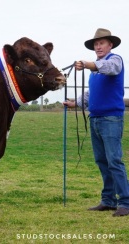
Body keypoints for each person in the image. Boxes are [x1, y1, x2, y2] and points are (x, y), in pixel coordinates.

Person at [64, 28, 129, 217]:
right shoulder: (95, 71)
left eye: (101, 43)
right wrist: (75, 103)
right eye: (96, 44)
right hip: (95, 118)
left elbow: (111, 69)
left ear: (110, 45)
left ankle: (125, 202)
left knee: (114, 160)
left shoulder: (115, 60)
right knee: (102, 160)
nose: (98, 46)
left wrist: (88, 64)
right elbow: (90, 94)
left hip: (111, 119)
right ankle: (108, 200)